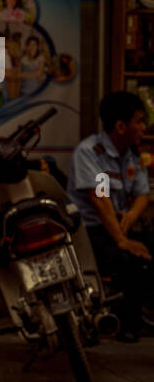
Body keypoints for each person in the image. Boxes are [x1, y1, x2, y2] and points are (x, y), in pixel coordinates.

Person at [67, 91, 151, 342]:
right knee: (127, 259)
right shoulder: (90, 152)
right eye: (139, 121)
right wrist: (121, 239)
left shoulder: (132, 154)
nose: (143, 128)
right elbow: (99, 198)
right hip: (90, 230)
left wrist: (130, 218)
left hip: (118, 224)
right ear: (120, 126)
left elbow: (142, 194)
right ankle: (126, 323)